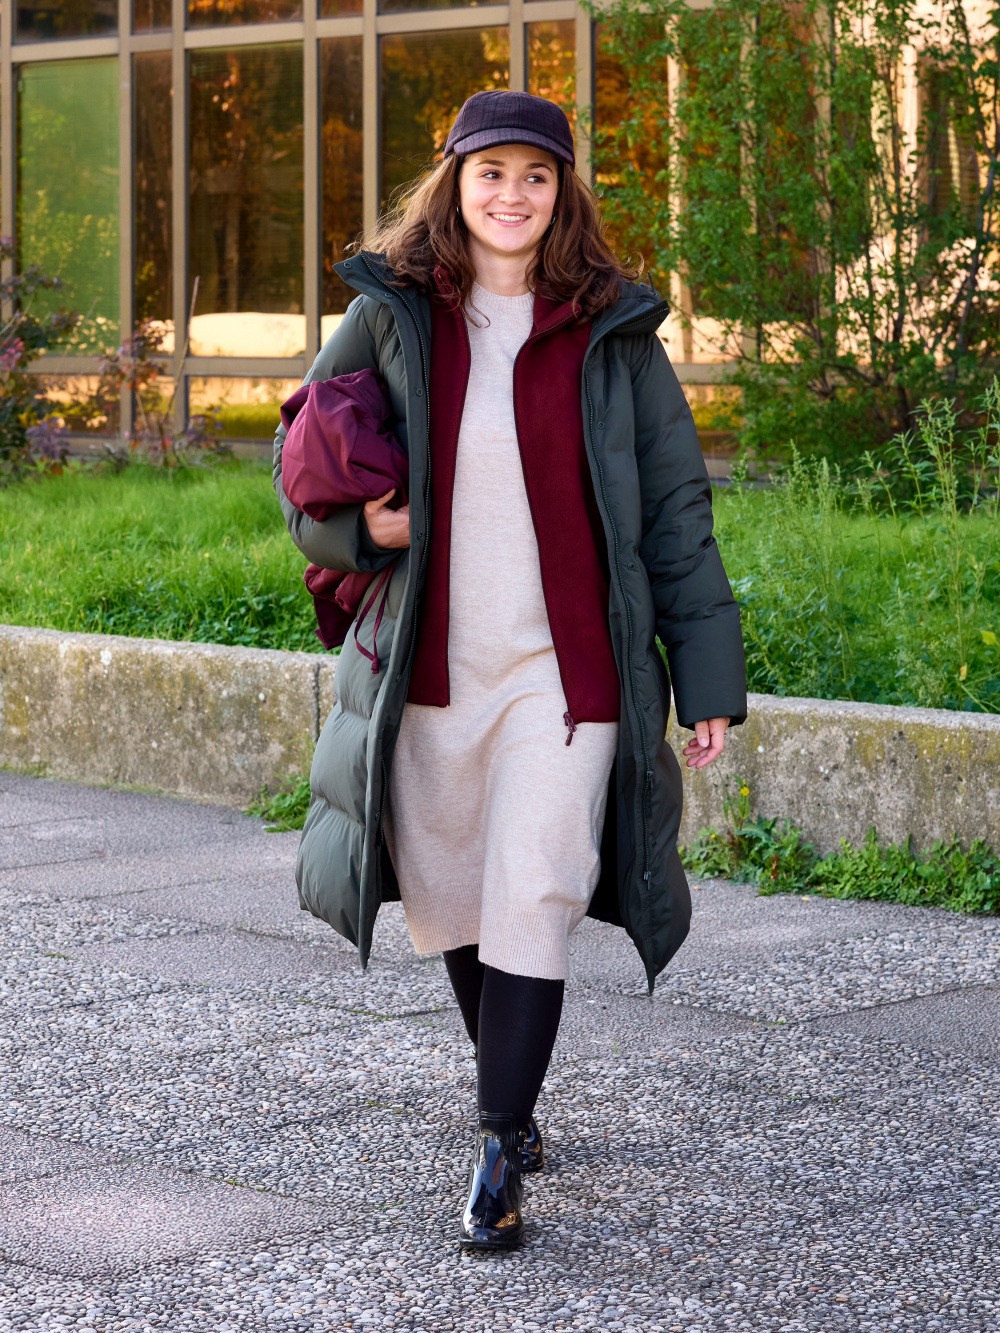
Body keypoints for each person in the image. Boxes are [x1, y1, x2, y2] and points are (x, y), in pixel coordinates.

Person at [273, 89, 747, 1251]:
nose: (512, 195)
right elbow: (301, 463)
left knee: (534, 882)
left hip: (566, 673)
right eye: (491, 172)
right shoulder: (390, 313)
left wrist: (707, 677)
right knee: (454, 893)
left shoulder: (613, 331)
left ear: (562, 194)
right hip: (430, 669)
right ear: (455, 181)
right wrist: (360, 532)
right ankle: (513, 1099)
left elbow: (677, 514)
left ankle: (497, 1145)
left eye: (536, 176)